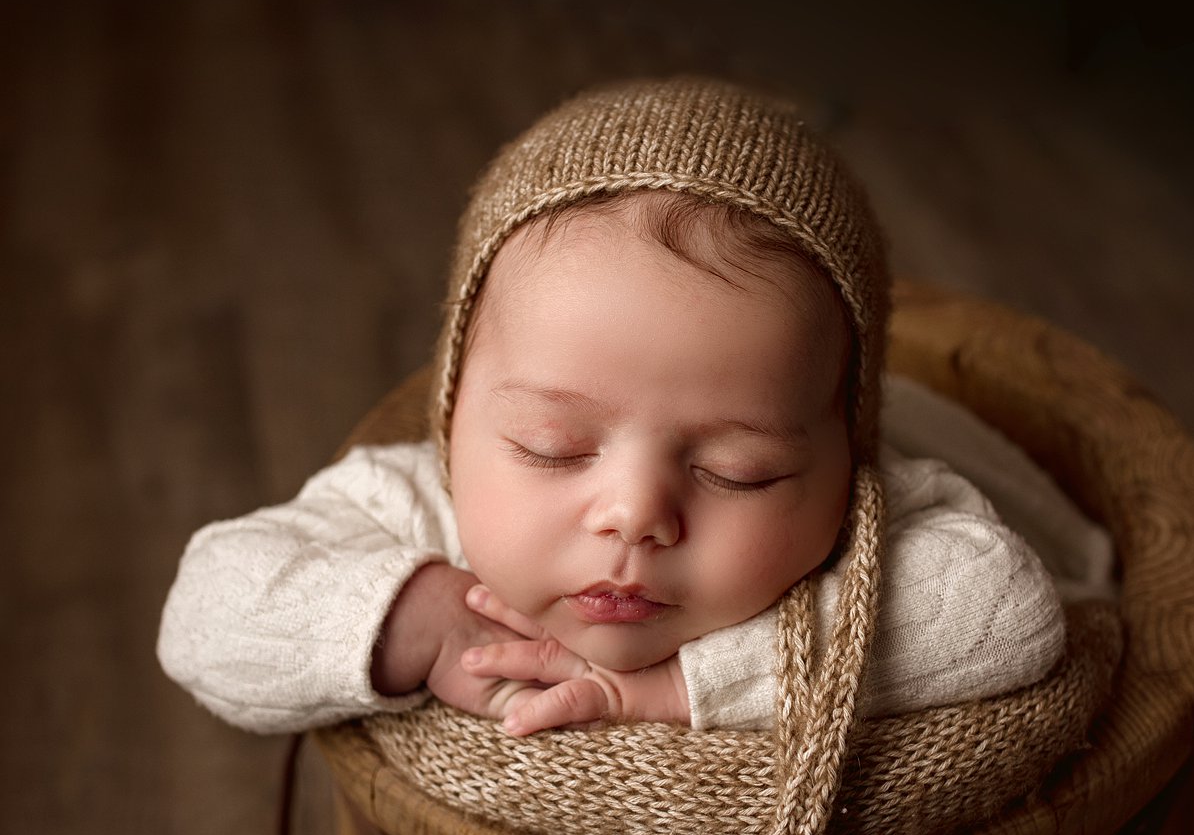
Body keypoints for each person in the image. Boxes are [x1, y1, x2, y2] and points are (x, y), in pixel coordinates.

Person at [158, 78, 1105, 740]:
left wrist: (669, 689)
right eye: (552, 447)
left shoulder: (882, 524)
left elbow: (1008, 616)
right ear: (453, 421)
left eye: (741, 470)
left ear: (845, 454)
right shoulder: (412, 508)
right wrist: (415, 617)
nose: (635, 514)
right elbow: (203, 614)